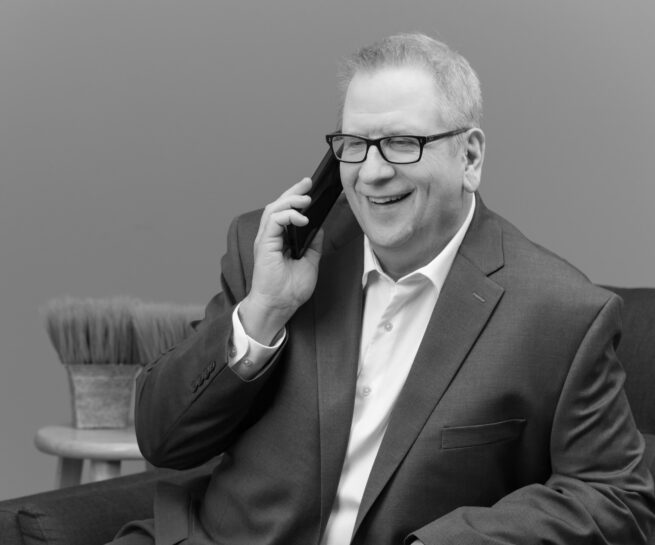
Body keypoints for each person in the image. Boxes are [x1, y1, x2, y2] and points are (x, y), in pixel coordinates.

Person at [112, 33, 655, 545]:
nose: (370, 174)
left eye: (401, 143)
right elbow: (163, 439)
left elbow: (618, 498)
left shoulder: (559, 314)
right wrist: (264, 311)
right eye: (354, 144)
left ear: (469, 158)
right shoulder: (273, 252)